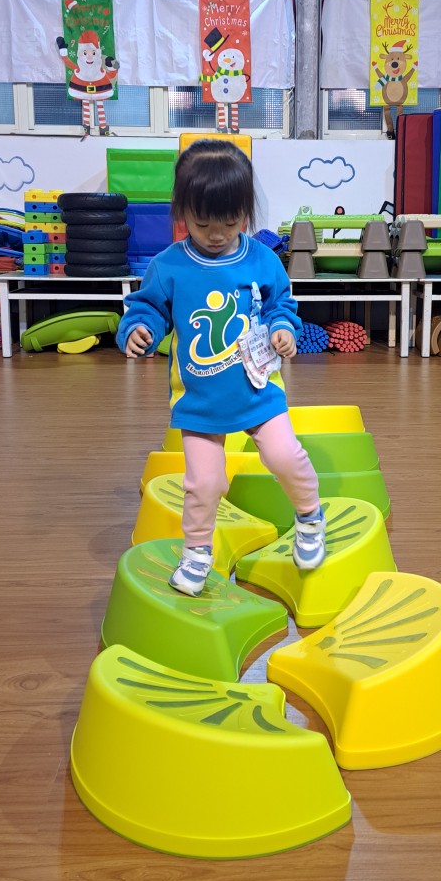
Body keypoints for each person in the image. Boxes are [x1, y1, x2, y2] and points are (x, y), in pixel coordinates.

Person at [116, 140, 326, 597]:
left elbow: (281, 305)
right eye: (202, 223)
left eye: (230, 223)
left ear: (246, 213)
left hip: (257, 389)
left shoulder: (262, 260)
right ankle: (197, 551)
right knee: (204, 483)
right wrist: (138, 329)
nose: (216, 234)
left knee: (284, 456)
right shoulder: (168, 266)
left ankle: (310, 517)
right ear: (182, 212)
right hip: (200, 400)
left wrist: (283, 328)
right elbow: (146, 308)